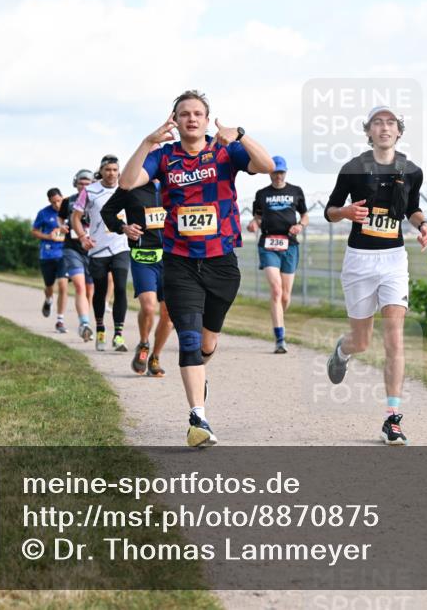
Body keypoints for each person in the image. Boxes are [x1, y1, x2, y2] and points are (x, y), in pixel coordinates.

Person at [119, 89, 275, 447]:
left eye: (197, 113)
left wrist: (241, 134)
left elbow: (267, 166)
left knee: (206, 343)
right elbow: (127, 183)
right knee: (187, 338)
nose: (191, 118)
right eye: (183, 113)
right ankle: (198, 418)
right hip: (179, 261)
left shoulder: (225, 151)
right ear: (174, 120)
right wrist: (145, 142)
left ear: (206, 119)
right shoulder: (163, 157)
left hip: (221, 262)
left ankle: (200, 372)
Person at [324, 106, 427, 446]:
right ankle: (343, 350)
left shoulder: (412, 170)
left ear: (399, 132)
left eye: (390, 123)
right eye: (377, 122)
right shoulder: (353, 169)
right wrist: (345, 212)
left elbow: (411, 207)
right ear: (368, 131)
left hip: (393, 261)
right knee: (363, 341)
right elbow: (330, 211)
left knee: (394, 339)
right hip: (359, 260)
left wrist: (423, 224)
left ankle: (392, 419)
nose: (384, 127)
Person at [101, 176, 173, 376]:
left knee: (169, 314)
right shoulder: (131, 187)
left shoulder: (176, 184)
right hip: (144, 257)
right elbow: (107, 211)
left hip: (173, 258)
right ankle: (143, 343)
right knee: (148, 307)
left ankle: (155, 357)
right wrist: (123, 228)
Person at [246, 156, 309, 353]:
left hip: (289, 244)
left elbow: (305, 215)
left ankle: (279, 316)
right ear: (269, 173)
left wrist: (300, 225)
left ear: (285, 173)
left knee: (285, 296)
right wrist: (254, 223)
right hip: (268, 244)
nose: (278, 176)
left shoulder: (296, 191)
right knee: (276, 290)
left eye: (281, 172)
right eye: (274, 172)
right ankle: (280, 338)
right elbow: (257, 215)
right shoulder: (262, 194)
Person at [73, 156, 130, 352]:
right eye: (108, 170)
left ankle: (119, 335)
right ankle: (100, 329)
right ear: (101, 171)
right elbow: (76, 217)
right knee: (100, 289)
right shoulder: (90, 191)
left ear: (119, 171)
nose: (111, 173)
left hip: (121, 246)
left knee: (121, 287)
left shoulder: (126, 187)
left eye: (115, 170)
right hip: (97, 248)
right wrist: (82, 237)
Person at [60, 169, 95, 341]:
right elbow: (61, 219)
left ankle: (86, 320)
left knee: (90, 290)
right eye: (81, 183)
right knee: (80, 287)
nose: (84, 187)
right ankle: (84, 323)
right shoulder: (67, 201)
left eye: (87, 184)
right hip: (72, 248)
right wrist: (62, 227)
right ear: (75, 184)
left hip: (92, 250)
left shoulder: (97, 200)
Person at [32, 188, 69, 333]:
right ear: (49, 201)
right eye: (54, 202)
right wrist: (48, 237)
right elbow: (34, 231)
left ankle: (60, 320)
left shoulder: (69, 210)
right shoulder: (43, 213)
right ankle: (48, 300)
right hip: (47, 255)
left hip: (64, 253)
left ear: (62, 198)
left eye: (59, 201)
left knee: (63, 285)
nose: (57, 205)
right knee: (49, 287)